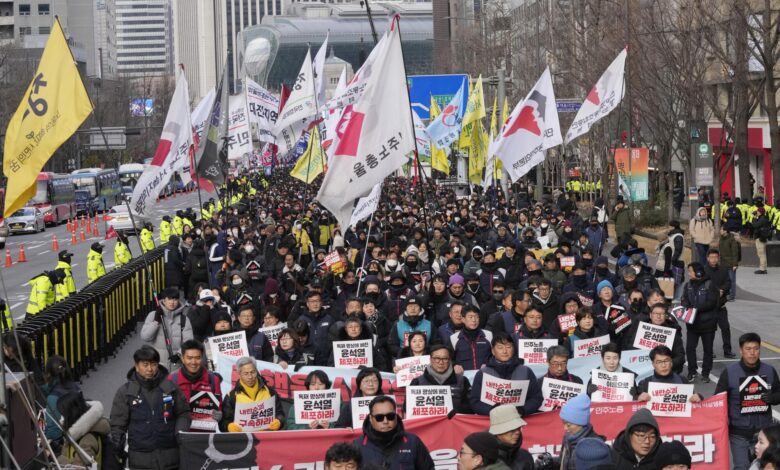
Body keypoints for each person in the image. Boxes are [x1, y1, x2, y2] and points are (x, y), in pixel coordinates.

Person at [109, 346, 190, 470]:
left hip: (170, 456)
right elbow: (118, 425)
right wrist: (117, 450)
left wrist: (179, 433)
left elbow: (183, 413)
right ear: (137, 366)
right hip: (140, 459)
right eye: (145, 365)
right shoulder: (125, 392)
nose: (150, 369)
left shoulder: (170, 388)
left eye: (153, 364)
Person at [715, 333, 780, 470]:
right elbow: (718, 400)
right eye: (748, 349)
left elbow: (778, 393)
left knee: (767, 466)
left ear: (760, 349)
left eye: (755, 348)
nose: (752, 353)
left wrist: (773, 398)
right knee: (742, 467)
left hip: (764, 432)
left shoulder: (769, 370)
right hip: (739, 433)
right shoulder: (729, 372)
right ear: (741, 350)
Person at [469, 332, 543, 417]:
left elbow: (536, 398)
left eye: (508, 347)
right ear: (493, 351)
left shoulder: (526, 371)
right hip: (492, 420)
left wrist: (522, 410)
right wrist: (491, 410)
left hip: (520, 419)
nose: (504, 351)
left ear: (513, 349)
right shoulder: (483, 373)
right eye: (500, 347)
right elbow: (475, 401)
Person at [353, 395, 435, 469]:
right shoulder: (357, 445)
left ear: (396, 416)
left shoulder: (413, 441)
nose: (385, 421)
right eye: (379, 417)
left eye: (390, 416)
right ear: (371, 419)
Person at [167, 340, 223, 431]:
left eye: (198, 358)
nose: (193, 362)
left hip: (204, 434)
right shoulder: (172, 379)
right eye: (189, 358)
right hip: (180, 433)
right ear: (182, 359)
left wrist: (219, 414)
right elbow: (166, 409)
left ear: (202, 358)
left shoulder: (213, 379)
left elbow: (219, 405)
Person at [220, 356, 285, 432]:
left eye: (253, 372)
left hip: (267, 439)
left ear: (256, 371)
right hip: (244, 441)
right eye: (246, 374)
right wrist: (228, 427)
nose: (250, 377)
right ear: (239, 374)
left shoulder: (270, 392)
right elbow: (223, 423)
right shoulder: (231, 397)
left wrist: (279, 421)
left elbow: (280, 414)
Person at [681, 262, 720, 382]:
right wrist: (686, 306)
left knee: (708, 350)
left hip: (708, 324)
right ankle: (692, 371)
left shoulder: (710, 285)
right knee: (690, 348)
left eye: (690, 271)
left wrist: (695, 309)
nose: (689, 274)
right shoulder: (687, 285)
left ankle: (705, 373)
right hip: (692, 324)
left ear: (698, 272)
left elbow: (711, 302)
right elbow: (684, 299)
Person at [54, 391, 111, 468]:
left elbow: (79, 467)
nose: (61, 419)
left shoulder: (87, 440)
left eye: (62, 415)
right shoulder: (77, 435)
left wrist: (56, 458)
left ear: (71, 415)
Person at [410, 344, 472, 414]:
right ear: (430, 359)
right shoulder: (417, 382)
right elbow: (408, 409)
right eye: (436, 358)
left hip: (454, 423)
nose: (440, 362)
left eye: (445, 359)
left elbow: (470, 409)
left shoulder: (462, 381)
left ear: (450, 360)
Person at [141, 287, 193, 368]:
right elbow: (145, 337)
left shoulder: (184, 319)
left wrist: (179, 355)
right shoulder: (153, 315)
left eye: (175, 299)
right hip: (157, 365)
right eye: (169, 299)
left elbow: (189, 342)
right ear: (164, 301)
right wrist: (155, 322)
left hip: (177, 366)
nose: (172, 302)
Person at [554, 393, 604, 469]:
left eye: (568, 425)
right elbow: (563, 461)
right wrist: (551, 462)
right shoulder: (567, 437)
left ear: (580, 423)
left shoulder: (594, 447)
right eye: (563, 423)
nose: (565, 428)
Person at [636, 346, 702, 402]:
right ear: (653, 364)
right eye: (659, 362)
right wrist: (637, 399)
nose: (663, 365)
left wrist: (699, 397)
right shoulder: (644, 383)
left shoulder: (683, 380)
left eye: (666, 361)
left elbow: (694, 402)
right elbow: (633, 408)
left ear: (671, 362)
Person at [704, 248, 735, 358]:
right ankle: (709, 351)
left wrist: (722, 290)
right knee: (710, 330)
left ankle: (727, 350)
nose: (713, 259)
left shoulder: (723, 270)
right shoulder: (704, 271)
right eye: (711, 257)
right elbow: (703, 285)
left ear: (718, 258)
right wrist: (715, 291)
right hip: (709, 307)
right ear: (707, 258)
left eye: (715, 257)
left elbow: (728, 282)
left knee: (726, 328)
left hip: (721, 305)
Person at [43, 355, 81, 442]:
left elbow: (54, 433)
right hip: (79, 434)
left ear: (48, 374)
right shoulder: (76, 387)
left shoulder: (53, 398)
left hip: (64, 442)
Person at [488, 405, 534, 470]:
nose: (517, 432)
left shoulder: (525, 456)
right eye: (512, 429)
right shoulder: (485, 458)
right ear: (497, 431)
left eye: (519, 428)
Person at [450, 305, 493, 370]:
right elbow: (449, 359)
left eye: (476, 317)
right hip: (464, 376)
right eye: (470, 317)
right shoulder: (454, 338)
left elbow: (495, 356)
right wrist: (455, 365)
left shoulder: (488, 335)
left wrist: (488, 364)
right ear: (463, 319)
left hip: (485, 374)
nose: (474, 320)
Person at [718, 225, 740, 301]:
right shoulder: (721, 239)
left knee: (731, 280)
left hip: (730, 264)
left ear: (725, 231)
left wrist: (735, 264)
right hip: (723, 263)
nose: (720, 231)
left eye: (721, 229)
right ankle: (726, 293)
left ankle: (731, 296)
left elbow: (735, 253)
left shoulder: (732, 240)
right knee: (725, 280)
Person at [752, 206, 772, 274]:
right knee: (762, 253)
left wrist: (754, 218)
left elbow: (755, 226)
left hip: (760, 238)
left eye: (757, 211)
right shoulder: (763, 218)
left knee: (761, 254)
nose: (756, 212)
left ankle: (762, 269)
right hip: (762, 237)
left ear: (760, 212)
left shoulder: (762, 219)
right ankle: (764, 268)